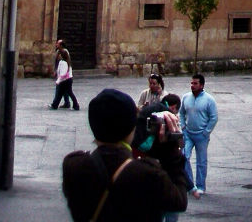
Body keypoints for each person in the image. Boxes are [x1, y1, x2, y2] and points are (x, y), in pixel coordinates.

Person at [61, 87, 189, 222]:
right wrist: (170, 149)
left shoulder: (73, 166)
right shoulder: (147, 173)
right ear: (132, 126)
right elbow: (179, 202)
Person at [180, 73, 217, 199]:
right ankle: (190, 184)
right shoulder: (185, 97)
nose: (192, 85)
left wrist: (206, 132)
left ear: (201, 85)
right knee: (184, 156)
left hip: (202, 135)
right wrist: (183, 127)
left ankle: (201, 186)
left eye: (195, 83)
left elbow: (214, 117)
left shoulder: (209, 99)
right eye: (191, 83)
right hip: (188, 134)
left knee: (201, 161)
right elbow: (181, 113)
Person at [51, 39, 80, 111]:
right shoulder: (62, 60)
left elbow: (63, 74)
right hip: (66, 79)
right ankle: (59, 104)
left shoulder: (64, 61)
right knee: (64, 92)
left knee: (63, 92)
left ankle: (57, 105)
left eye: (58, 43)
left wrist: (58, 80)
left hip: (65, 80)